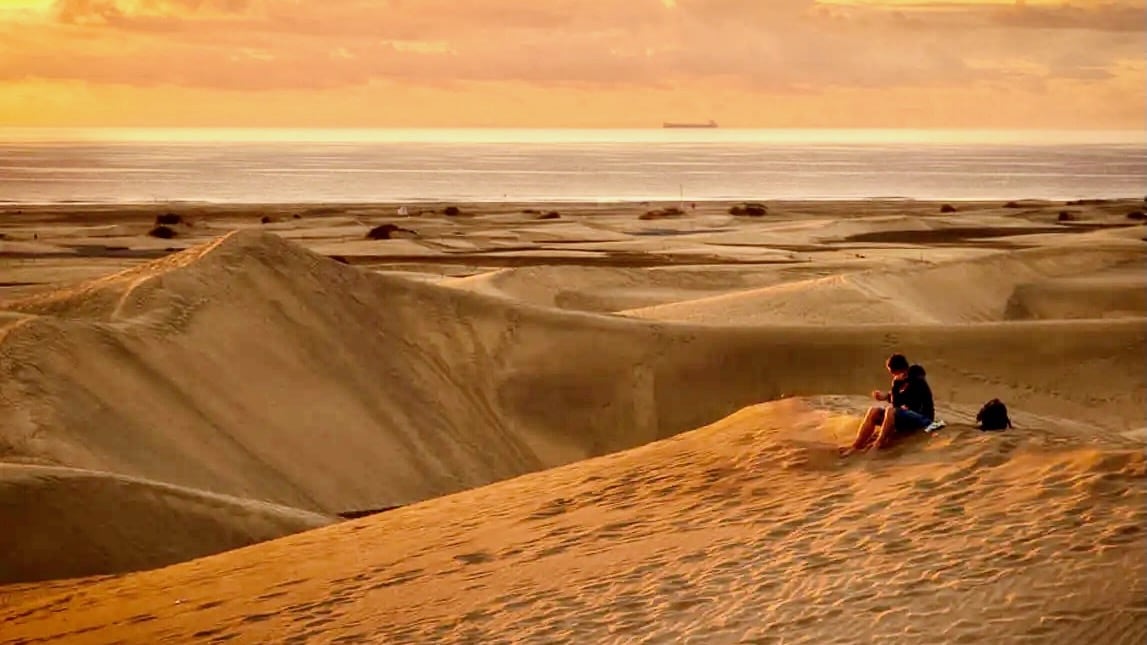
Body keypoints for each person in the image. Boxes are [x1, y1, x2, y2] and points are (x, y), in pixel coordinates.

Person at [842, 354, 935, 455]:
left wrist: (893, 390)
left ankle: (878, 443)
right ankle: (857, 445)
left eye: (891, 371)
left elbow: (904, 404)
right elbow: (899, 401)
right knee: (874, 411)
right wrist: (888, 394)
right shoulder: (900, 381)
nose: (892, 374)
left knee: (890, 410)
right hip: (908, 417)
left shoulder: (917, 380)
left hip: (924, 419)